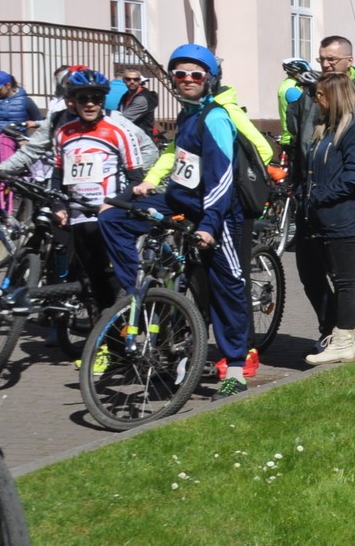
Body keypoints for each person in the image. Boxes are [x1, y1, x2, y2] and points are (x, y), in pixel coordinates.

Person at [100, 45, 253, 397]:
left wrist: (208, 226)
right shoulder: (187, 115)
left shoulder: (215, 118)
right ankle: (138, 291)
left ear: (209, 79)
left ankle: (235, 366)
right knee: (114, 218)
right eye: (180, 74)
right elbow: (175, 156)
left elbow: (221, 180)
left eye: (196, 75)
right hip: (181, 200)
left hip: (217, 212)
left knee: (227, 285)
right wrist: (143, 186)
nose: (187, 80)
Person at [0, 68, 156, 316]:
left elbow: (143, 161)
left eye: (95, 98)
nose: (88, 103)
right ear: (70, 97)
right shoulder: (60, 127)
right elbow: (44, 163)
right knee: (88, 270)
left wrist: (125, 193)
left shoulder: (117, 125)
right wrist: (0, 172)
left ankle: (125, 324)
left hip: (108, 209)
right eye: (80, 98)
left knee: (112, 275)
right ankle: (75, 317)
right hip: (76, 210)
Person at [295, 72, 355, 363]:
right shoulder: (325, 128)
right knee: (311, 276)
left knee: (346, 281)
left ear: (335, 97)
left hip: (342, 217)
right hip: (316, 218)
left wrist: (320, 195)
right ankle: (331, 331)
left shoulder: (354, 127)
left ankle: (344, 341)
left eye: (321, 95)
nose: (316, 100)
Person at [0, 72, 41, 168]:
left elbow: (40, 123)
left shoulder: (26, 101)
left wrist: (30, 142)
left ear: (8, 85)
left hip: (19, 147)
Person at [274, 58, 310, 161]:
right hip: (293, 139)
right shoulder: (293, 90)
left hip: (287, 137)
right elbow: (304, 113)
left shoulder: (285, 84)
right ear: (297, 74)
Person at [114, 64, 158, 138]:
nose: (132, 82)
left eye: (135, 79)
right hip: (130, 136)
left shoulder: (142, 98)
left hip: (141, 139)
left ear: (140, 81)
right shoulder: (126, 95)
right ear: (124, 80)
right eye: (128, 79)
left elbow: (123, 119)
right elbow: (118, 112)